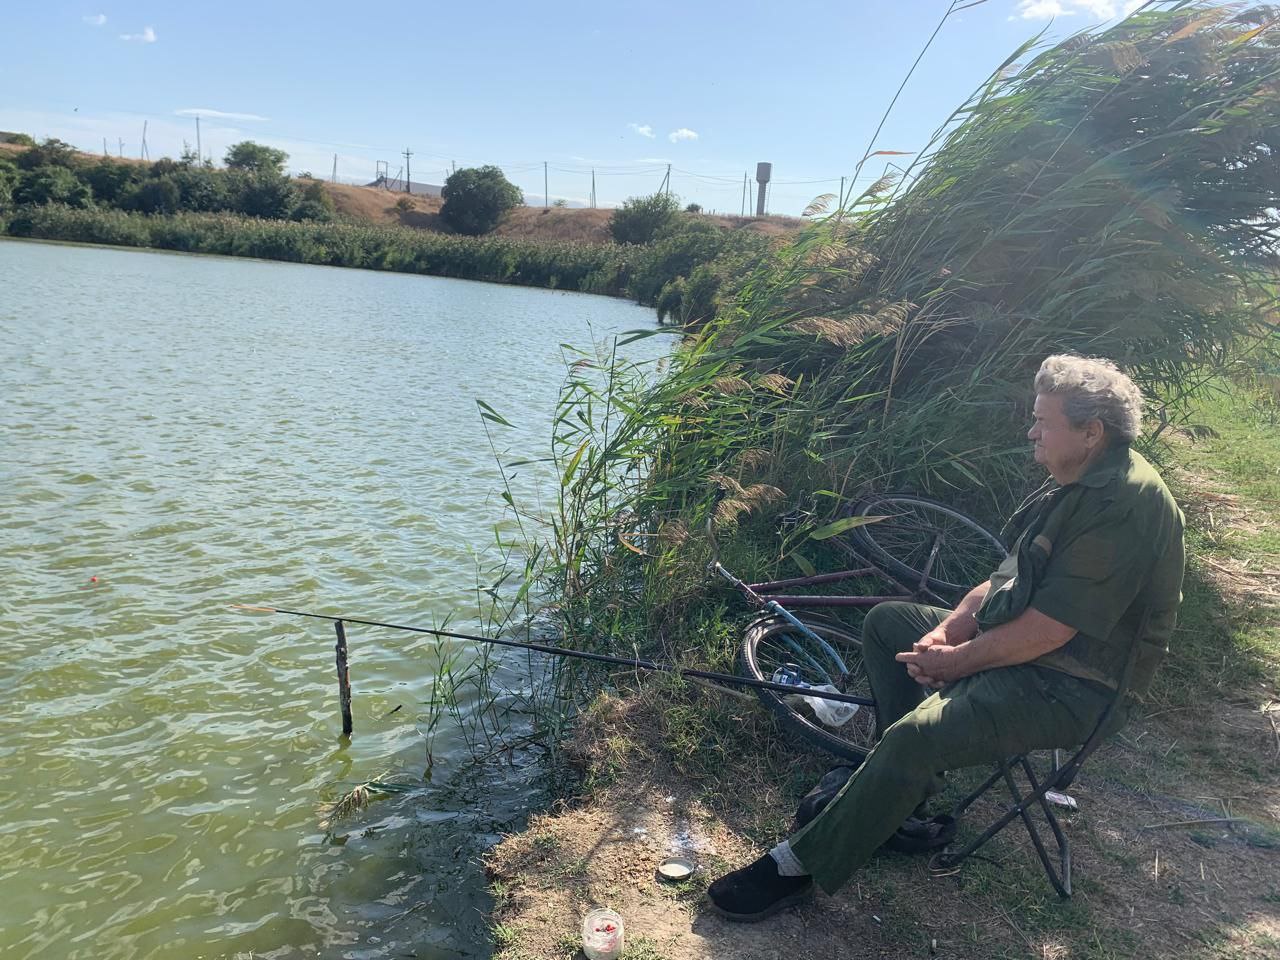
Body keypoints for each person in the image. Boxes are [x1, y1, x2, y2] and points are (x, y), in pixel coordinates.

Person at [707, 354, 1185, 921]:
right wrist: (946, 632)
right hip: (1034, 649)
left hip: (1075, 684)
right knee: (889, 623)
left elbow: (1049, 631)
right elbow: (1006, 579)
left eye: (1042, 422)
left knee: (917, 736)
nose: (1031, 431)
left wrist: (957, 664)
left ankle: (793, 867)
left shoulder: (1123, 505)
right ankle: (897, 802)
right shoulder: (1081, 476)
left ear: (1090, 432)